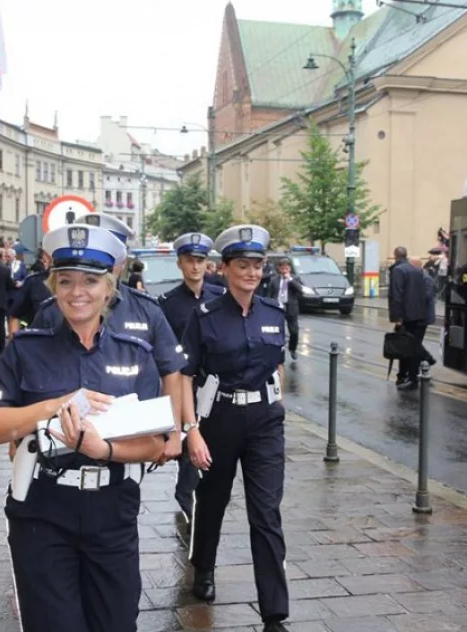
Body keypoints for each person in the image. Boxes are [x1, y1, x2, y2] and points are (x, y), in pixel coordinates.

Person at [0, 224, 167, 632]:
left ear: (109, 288)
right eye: (66, 281)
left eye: (90, 281)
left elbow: (156, 445)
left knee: (116, 624)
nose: (78, 292)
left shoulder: (136, 355)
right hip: (43, 511)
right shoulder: (27, 349)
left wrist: (105, 451)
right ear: (53, 286)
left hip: (112, 509)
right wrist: (50, 406)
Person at [181, 225, 289, 632]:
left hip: (264, 422)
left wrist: (276, 406)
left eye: (257, 265)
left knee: (266, 512)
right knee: (212, 500)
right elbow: (186, 376)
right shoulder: (204, 317)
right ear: (223, 269)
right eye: (242, 264)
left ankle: (274, 612)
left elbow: (277, 366)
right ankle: (204, 567)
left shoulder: (273, 315)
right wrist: (191, 431)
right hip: (219, 419)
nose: (251, 272)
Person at [30, 213, 186, 465]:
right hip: (62, 440)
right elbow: (30, 371)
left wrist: (173, 432)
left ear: (121, 262)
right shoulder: (52, 311)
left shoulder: (147, 309)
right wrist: (20, 437)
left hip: (127, 442)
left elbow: (171, 371)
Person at [157, 232, 225, 522]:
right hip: (182, 381)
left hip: (213, 382)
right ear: (180, 264)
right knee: (186, 438)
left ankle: (196, 492)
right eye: (189, 261)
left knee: (208, 440)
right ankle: (187, 496)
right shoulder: (167, 303)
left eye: (200, 261)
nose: (195, 267)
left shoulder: (220, 297)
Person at [387, 246, 429, 390]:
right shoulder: (416, 271)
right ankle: (411, 376)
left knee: (405, 348)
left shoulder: (398, 271)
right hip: (419, 315)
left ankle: (409, 379)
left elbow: (396, 295)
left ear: (395, 256)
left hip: (406, 316)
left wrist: (397, 318)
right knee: (413, 346)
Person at [9, 247, 53, 336]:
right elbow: (15, 316)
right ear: (45, 257)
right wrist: (15, 345)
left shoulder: (85, 284)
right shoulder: (33, 283)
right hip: (39, 343)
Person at [265, 257, 302, 361]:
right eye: (282, 268)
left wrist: (290, 279)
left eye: (286, 268)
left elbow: (300, 290)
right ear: (279, 269)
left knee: (294, 331)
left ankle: (292, 349)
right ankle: (278, 350)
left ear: (289, 268)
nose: (284, 270)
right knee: (277, 331)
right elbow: (269, 295)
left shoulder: (295, 279)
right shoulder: (274, 280)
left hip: (291, 308)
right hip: (278, 308)